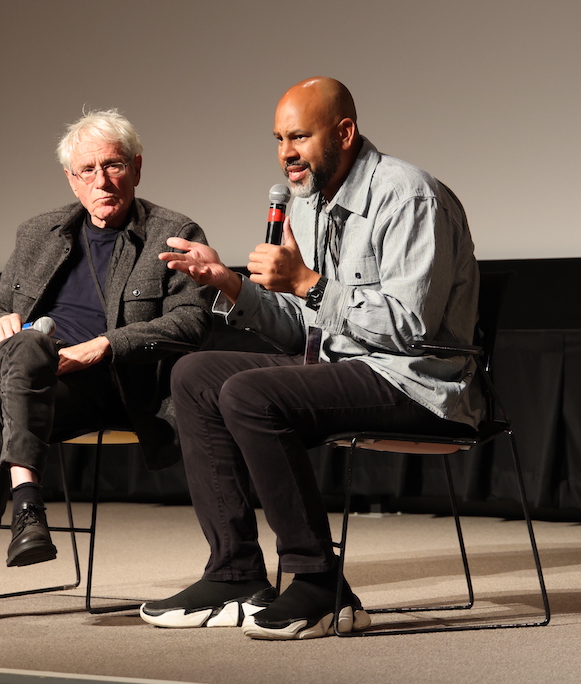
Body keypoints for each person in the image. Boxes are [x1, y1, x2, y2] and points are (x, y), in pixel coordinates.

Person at [141, 77, 481, 640]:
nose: (286, 154)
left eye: (299, 136)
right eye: (278, 139)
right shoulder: (311, 204)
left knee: (250, 393)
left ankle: (321, 583)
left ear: (344, 132)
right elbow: (304, 325)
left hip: (419, 380)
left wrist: (308, 283)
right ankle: (235, 573)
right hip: (344, 366)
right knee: (195, 373)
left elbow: (409, 327)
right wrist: (232, 284)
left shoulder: (410, 196)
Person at [0, 109, 212, 627]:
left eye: (112, 166)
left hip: (111, 385)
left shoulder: (171, 234)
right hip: (38, 380)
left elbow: (192, 322)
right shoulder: (39, 232)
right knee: (23, 355)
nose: (101, 181)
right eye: (86, 170)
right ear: (71, 178)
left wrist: (100, 347)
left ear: (136, 167)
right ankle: (20, 516)